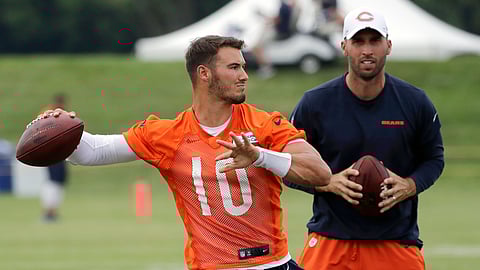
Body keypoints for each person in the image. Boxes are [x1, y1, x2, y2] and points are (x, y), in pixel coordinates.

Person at [36, 35, 331, 270]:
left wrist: (261, 156)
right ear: (204, 74)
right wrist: (56, 128)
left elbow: (320, 173)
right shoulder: (168, 135)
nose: (244, 75)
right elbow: (89, 153)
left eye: (243, 66)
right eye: (233, 67)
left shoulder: (263, 124)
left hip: (273, 265)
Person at [285, 7, 444, 270]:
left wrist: (410, 184)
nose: (367, 50)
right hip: (330, 241)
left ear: (389, 46)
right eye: (358, 41)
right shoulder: (315, 104)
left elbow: (434, 159)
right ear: (344, 46)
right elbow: (286, 167)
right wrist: (327, 182)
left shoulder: (415, 102)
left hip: (396, 243)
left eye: (375, 41)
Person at [41, 94, 69, 222]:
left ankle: (53, 211)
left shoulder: (65, 115)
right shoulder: (47, 115)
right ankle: (49, 211)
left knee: (59, 183)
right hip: (52, 155)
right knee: (53, 182)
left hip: (61, 156)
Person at [252, 0, 299, 79]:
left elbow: (276, 20)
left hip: (281, 33)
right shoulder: (287, 6)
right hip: (282, 31)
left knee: (256, 46)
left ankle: (267, 69)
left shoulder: (283, 7)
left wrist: (262, 15)